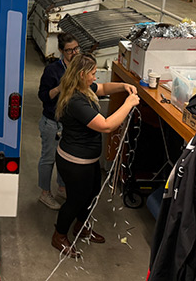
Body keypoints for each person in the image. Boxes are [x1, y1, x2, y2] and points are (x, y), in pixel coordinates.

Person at [51, 53, 139, 257]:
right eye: (92, 73)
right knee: (75, 200)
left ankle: (81, 227)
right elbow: (106, 126)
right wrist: (128, 103)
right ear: (81, 74)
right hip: (74, 162)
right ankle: (59, 235)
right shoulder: (75, 100)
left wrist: (123, 86)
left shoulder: (84, 88)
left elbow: (103, 88)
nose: (95, 76)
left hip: (87, 161)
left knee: (91, 195)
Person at [37, 32, 80, 210]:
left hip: (70, 123)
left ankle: (62, 187)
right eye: (69, 50)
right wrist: (59, 88)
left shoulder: (79, 67)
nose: (74, 53)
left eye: (76, 49)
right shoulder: (53, 70)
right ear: (61, 51)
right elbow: (43, 96)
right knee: (48, 159)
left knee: (65, 159)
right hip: (52, 124)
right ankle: (45, 193)